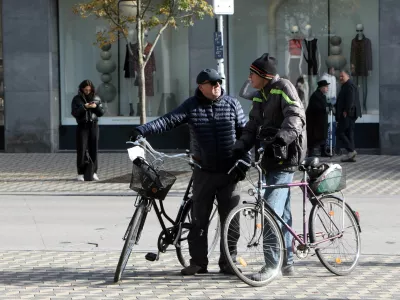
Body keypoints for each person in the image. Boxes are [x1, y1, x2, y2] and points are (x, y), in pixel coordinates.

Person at [130, 68, 250, 276]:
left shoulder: (232, 104)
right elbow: (168, 120)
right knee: (199, 221)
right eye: (211, 84)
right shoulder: (191, 106)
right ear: (200, 86)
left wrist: (245, 160)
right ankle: (198, 263)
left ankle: (229, 262)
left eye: (218, 83)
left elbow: (245, 135)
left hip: (230, 172)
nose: (216, 87)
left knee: (231, 220)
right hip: (203, 171)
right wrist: (142, 130)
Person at [232, 53, 307, 281]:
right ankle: (287, 263)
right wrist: (240, 146)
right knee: (282, 213)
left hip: (285, 157)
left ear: (263, 75)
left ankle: (271, 266)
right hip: (269, 158)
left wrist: (281, 139)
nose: (249, 78)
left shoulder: (283, 87)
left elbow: (296, 116)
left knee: (270, 212)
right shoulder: (260, 95)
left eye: (252, 74)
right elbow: (253, 124)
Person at [71, 80, 104, 181]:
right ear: (82, 89)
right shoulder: (77, 99)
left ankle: (94, 172)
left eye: (89, 89)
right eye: (86, 89)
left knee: (93, 149)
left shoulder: (96, 98)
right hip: (82, 126)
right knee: (81, 149)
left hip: (93, 125)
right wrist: (84, 107)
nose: (88, 91)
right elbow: (74, 113)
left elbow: (101, 112)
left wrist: (96, 107)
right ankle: (80, 173)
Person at [336, 69, 362, 162]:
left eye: (342, 76)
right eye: (340, 76)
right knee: (349, 133)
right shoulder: (346, 85)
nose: (340, 78)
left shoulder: (349, 85)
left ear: (348, 76)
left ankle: (351, 150)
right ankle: (351, 155)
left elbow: (350, 99)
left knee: (340, 132)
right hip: (349, 113)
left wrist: (346, 111)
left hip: (348, 114)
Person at [306, 80, 329, 156]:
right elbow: (317, 107)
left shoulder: (322, 96)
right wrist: (325, 108)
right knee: (314, 137)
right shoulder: (316, 96)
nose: (327, 88)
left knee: (323, 136)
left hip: (321, 121)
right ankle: (311, 152)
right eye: (326, 87)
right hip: (315, 121)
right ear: (321, 88)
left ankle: (323, 151)